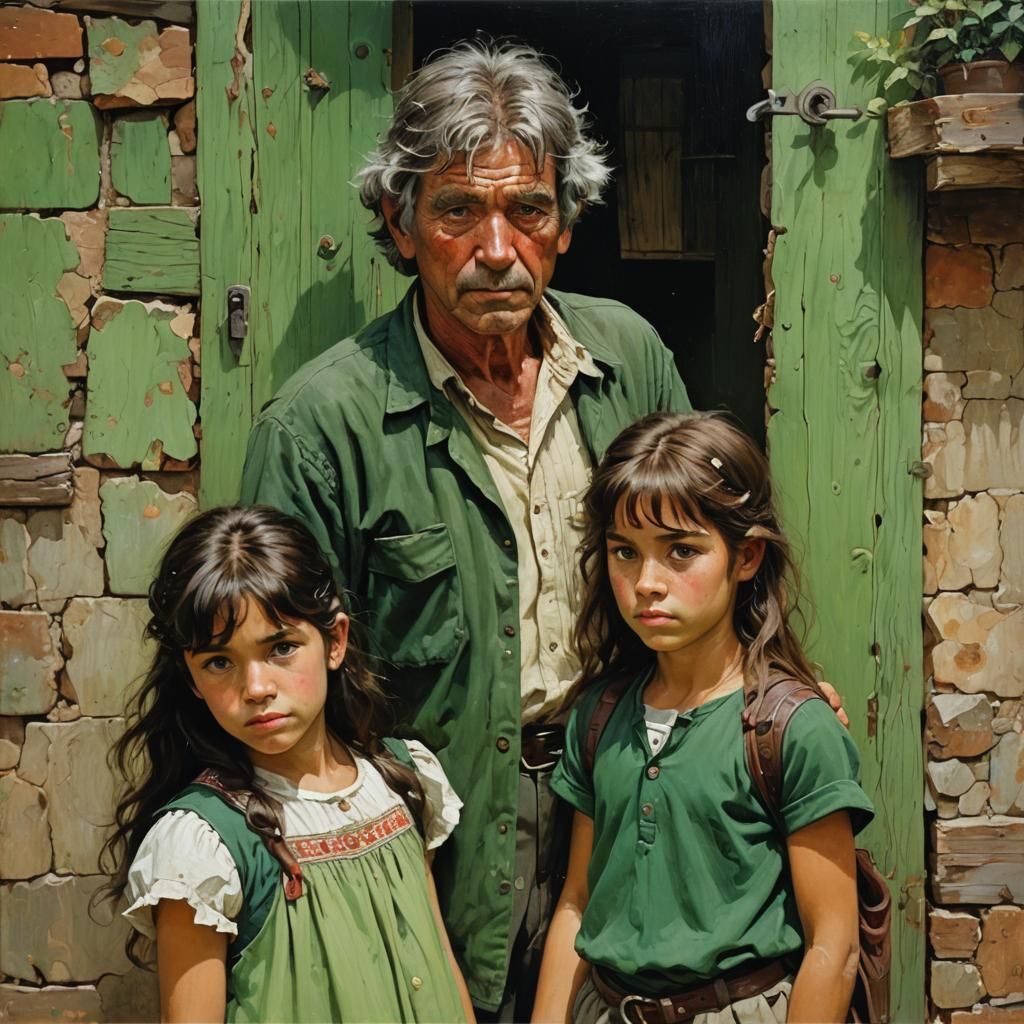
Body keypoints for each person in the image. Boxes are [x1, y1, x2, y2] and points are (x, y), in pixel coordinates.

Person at [239, 40, 845, 1018]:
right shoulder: (319, 428)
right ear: (398, 224)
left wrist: (785, 676)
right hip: (433, 832)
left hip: (622, 797)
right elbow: (265, 679)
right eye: (455, 210)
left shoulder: (629, 357)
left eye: (526, 209)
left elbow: (712, 547)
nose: (495, 245)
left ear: (564, 223)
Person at [532, 412, 874, 1024]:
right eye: (624, 553)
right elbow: (576, 904)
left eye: (681, 551)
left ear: (746, 556)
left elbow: (835, 945)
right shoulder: (599, 716)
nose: (647, 583)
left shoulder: (788, 729)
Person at [101, 505, 474, 1023]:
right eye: (218, 662)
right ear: (191, 680)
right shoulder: (202, 845)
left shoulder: (403, 780)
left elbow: (441, 966)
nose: (256, 688)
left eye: (281, 648)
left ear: (335, 641)